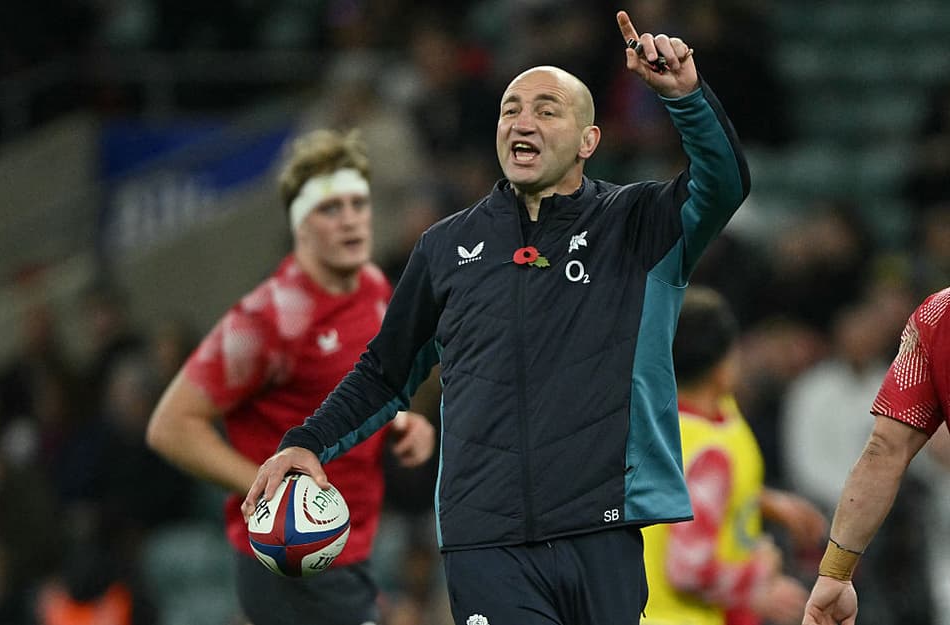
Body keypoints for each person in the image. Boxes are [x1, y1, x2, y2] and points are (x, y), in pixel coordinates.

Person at [244, 10, 750, 625]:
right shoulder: (444, 248)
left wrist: (685, 98)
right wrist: (308, 442)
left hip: (602, 527)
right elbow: (385, 372)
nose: (522, 121)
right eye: (511, 109)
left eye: (546, 109)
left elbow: (723, 184)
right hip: (485, 539)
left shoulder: (638, 224)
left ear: (588, 141)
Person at [145, 128, 436, 625]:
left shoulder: (373, 290)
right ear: (301, 223)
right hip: (290, 555)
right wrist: (270, 493)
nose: (351, 221)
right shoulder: (265, 320)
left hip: (350, 548)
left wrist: (401, 424)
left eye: (358, 204)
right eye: (330, 208)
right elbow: (170, 426)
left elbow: (361, 391)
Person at [641, 286, 826, 625]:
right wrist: (758, 580)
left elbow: (694, 495)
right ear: (723, 364)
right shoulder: (706, 450)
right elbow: (688, 569)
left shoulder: (664, 417)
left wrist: (763, 501)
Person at [802, 285, 950, 625]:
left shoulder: (939, 315)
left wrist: (836, 574)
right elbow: (885, 450)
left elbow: (885, 449)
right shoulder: (938, 316)